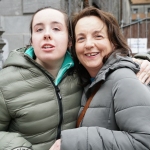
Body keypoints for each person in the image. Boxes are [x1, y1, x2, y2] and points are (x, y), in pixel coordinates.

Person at [50, 6, 150, 150]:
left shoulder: (124, 79)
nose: (89, 44)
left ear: (113, 42)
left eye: (98, 36)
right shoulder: (88, 80)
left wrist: (75, 140)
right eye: (81, 38)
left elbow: (144, 142)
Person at [0, 7, 82, 150]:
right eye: (39, 30)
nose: (47, 35)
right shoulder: (5, 81)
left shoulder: (83, 74)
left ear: (70, 40)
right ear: (32, 40)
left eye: (56, 28)